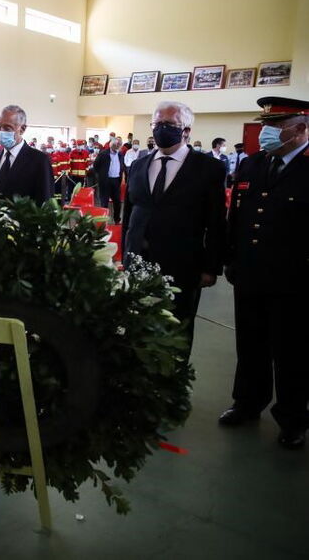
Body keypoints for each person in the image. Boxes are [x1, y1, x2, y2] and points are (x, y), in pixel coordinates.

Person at [221, 97, 309, 449]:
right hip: (251, 274)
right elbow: (236, 218)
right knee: (250, 345)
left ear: (301, 127)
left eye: (276, 126)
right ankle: (247, 403)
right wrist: (231, 259)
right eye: (266, 125)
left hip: (295, 280)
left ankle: (293, 419)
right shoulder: (254, 165)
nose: (267, 132)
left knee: (292, 352)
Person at [123, 101, 226, 351]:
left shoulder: (208, 168)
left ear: (186, 130)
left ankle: (174, 383)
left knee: (177, 330)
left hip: (182, 265)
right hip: (137, 261)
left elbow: (216, 222)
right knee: (135, 326)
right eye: (156, 124)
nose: (161, 129)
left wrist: (211, 268)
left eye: (168, 124)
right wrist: (123, 254)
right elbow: (130, 214)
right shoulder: (138, 165)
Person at [0, 105, 53, 204]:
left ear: (22, 129)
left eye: (7, 128)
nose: (1, 131)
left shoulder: (39, 160)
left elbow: (45, 202)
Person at [93, 137, 125, 222]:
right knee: (104, 202)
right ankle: (103, 220)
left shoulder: (120, 154)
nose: (118, 146)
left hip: (116, 180)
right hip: (105, 181)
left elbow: (122, 166)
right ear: (111, 145)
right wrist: (101, 176)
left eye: (119, 145)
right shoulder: (103, 154)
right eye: (116, 145)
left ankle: (117, 219)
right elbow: (95, 166)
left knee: (117, 202)